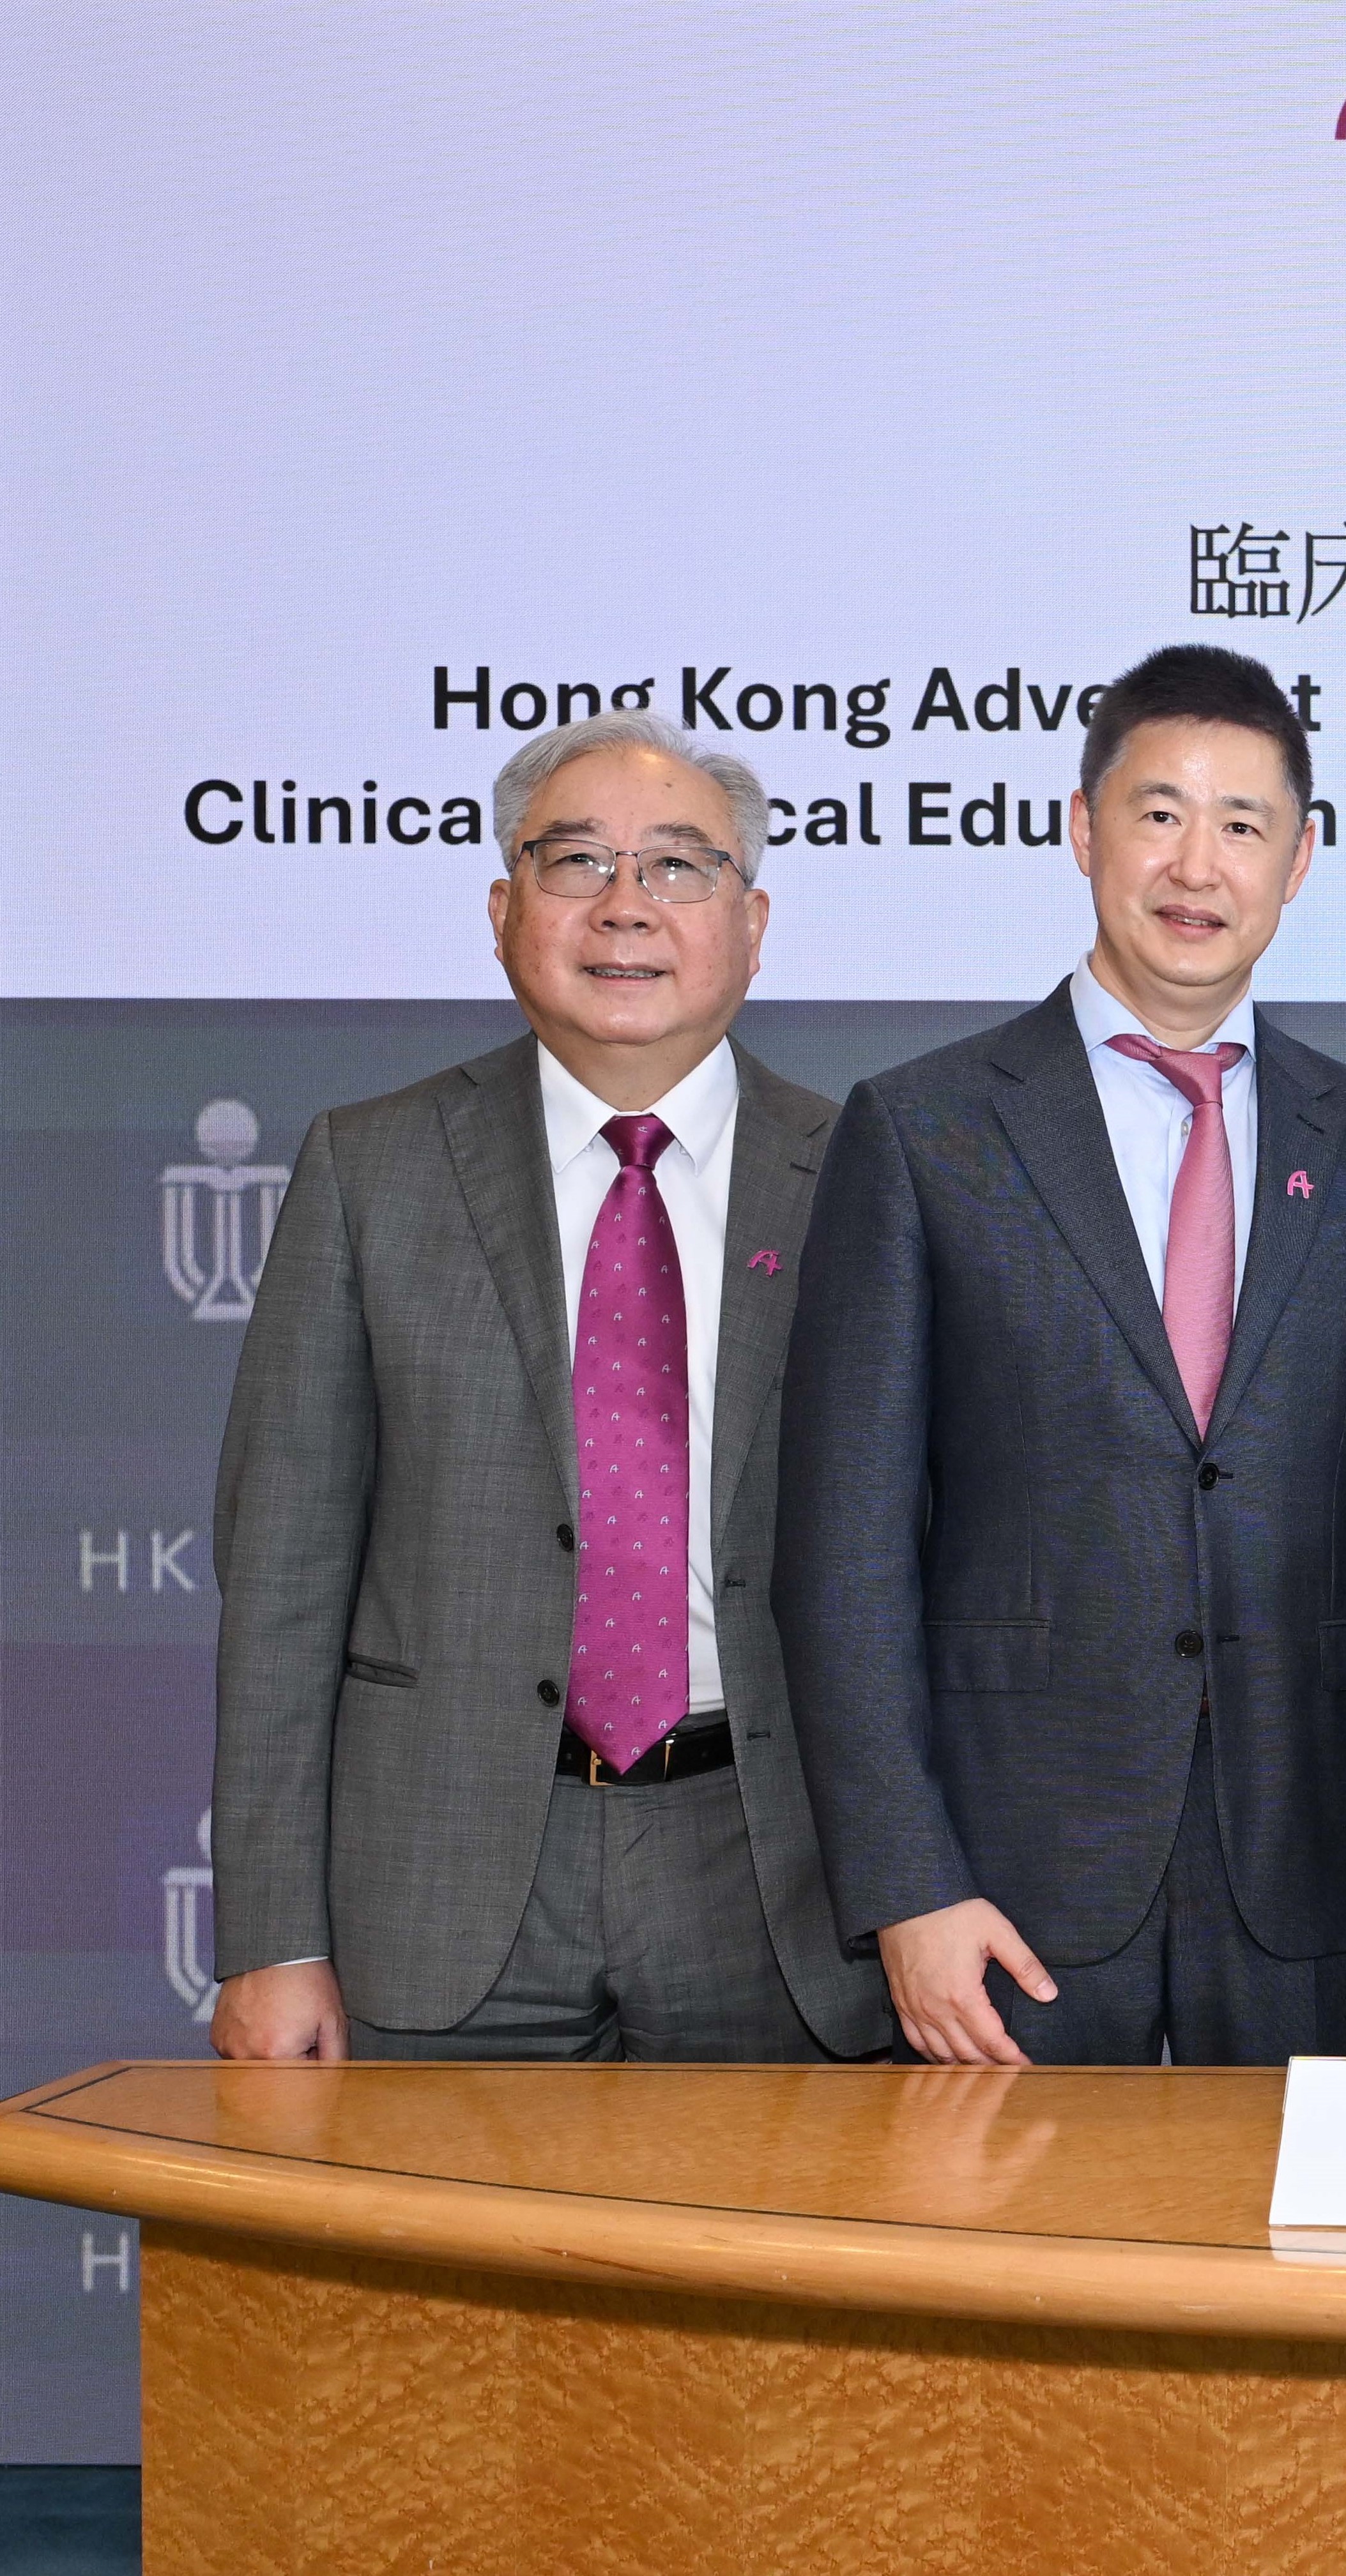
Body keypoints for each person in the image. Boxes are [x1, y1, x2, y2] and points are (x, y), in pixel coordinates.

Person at [774, 644, 1346, 2066]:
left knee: (1285, 2287)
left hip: (1309, 1870)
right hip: (1009, 1885)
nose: (1195, 866)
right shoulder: (923, 1131)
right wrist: (908, 1883)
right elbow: (842, 1550)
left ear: (1303, 859)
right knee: (1005, 2281)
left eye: (1242, 825)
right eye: (1157, 815)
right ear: (1083, 830)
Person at [207, 713, 889, 2061]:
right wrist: (272, 1938)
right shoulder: (372, 1169)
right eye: (577, 862)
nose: (627, 905)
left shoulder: (869, 1176)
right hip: (443, 1877)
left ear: (753, 924)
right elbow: (283, 1576)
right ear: (504, 910)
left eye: (680, 868)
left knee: (760, 2276)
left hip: (779, 1874)